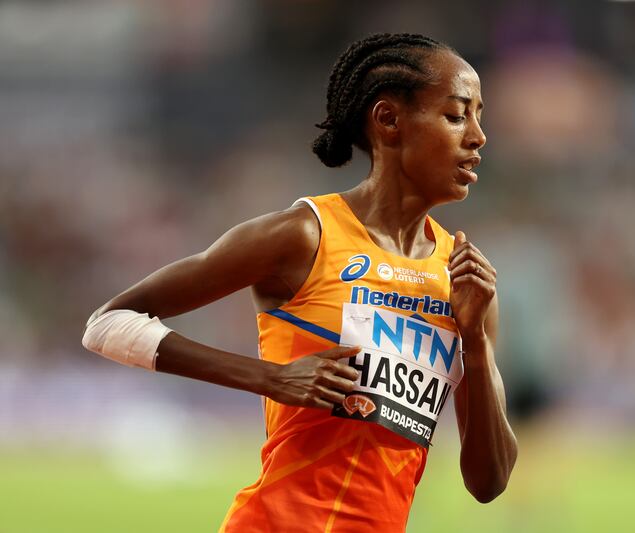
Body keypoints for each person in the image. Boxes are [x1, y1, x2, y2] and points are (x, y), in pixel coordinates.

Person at [83, 33, 517, 532]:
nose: (479, 136)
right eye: (458, 114)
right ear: (389, 120)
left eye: (479, 117)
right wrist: (270, 378)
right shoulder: (303, 235)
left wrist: (476, 344)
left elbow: (489, 483)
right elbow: (107, 324)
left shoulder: (462, 279)